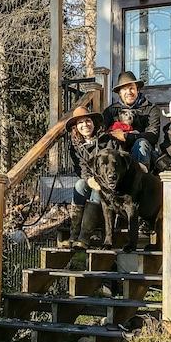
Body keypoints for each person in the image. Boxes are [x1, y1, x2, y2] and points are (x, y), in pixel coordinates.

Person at [101, 71, 162, 172]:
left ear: (137, 89)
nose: (129, 92)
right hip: (117, 153)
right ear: (119, 93)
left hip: (142, 154)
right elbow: (102, 133)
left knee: (142, 143)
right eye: (124, 89)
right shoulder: (111, 111)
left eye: (132, 88)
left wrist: (127, 136)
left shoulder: (151, 109)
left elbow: (153, 135)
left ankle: (140, 177)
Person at [63, 106, 105, 249]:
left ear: (93, 123)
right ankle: (74, 234)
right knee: (80, 185)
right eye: (80, 123)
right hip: (89, 180)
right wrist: (89, 179)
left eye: (88, 121)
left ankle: (85, 237)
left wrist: (99, 180)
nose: (85, 125)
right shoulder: (75, 147)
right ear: (76, 127)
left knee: (98, 190)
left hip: (107, 181)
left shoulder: (106, 140)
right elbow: (80, 168)